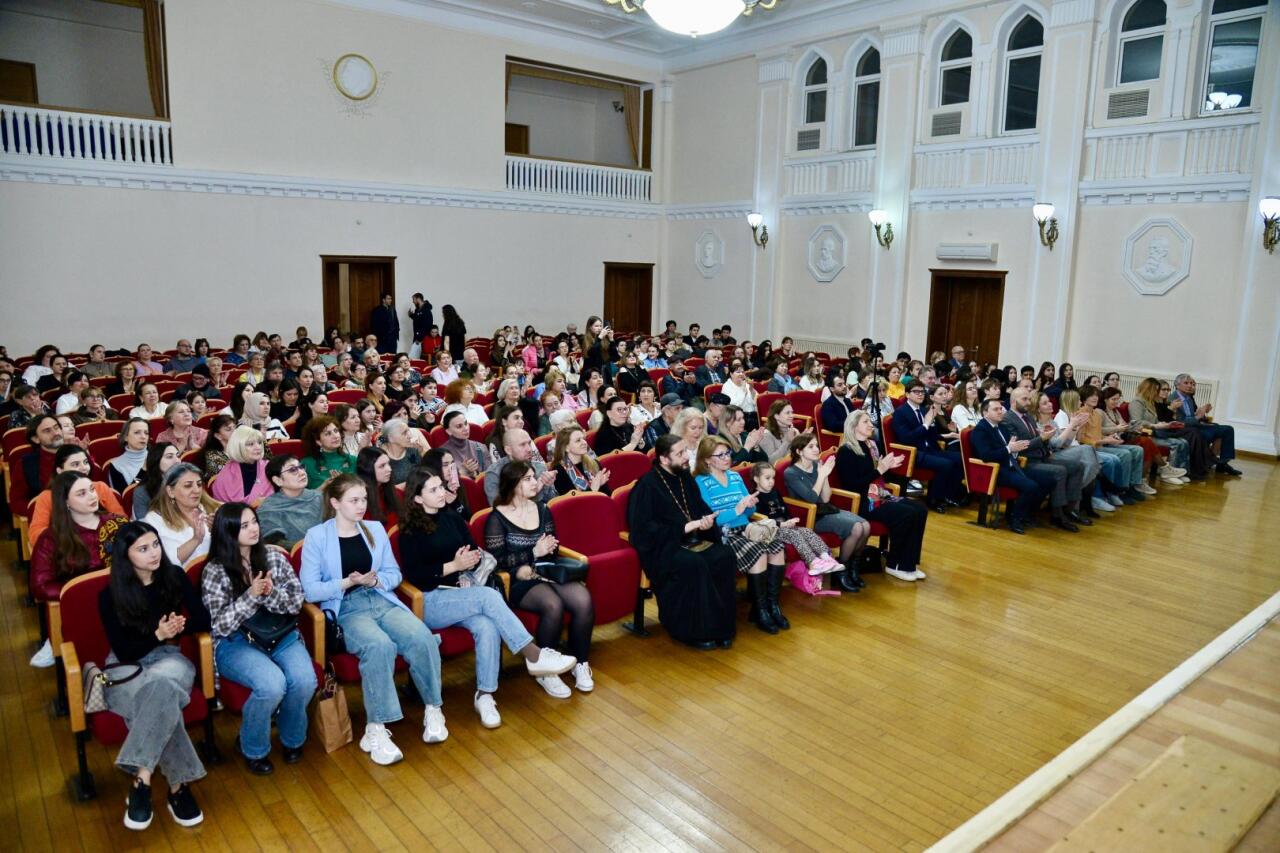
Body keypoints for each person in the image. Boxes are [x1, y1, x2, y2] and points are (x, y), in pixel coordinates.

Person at [300, 475, 446, 764]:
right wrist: (345, 582)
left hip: (380, 598)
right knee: (379, 647)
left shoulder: (375, 529)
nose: (361, 506)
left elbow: (394, 574)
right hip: (347, 607)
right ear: (334, 503)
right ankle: (377, 727)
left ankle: (433, 708)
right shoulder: (317, 536)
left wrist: (376, 579)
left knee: (422, 637)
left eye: (364, 499)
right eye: (353, 500)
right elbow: (310, 589)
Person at [100, 521, 211, 830]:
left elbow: (203, 619)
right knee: (162, 697)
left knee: (162, 685)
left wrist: (177, 630)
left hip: (169, 659)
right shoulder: (109, 595)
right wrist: (158, 634)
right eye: (143, 549)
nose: (154, 554)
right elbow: (124, 651)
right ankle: (178, 788)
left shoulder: (173, 576)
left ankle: (141, 780)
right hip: (126, 666)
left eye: (156, 545)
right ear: (126, 556)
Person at [201, 503, 316, 775]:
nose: (253, 529)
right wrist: (251, 596)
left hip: (281, 635)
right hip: (237, 643)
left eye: (254, 522)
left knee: (304, 681)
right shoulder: (215, 571)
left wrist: (269, 593)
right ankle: (252, 747)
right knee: (271, 685)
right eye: (244, 526)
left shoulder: (275, 558)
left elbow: (296, 602)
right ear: (227, 532)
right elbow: (220, 625)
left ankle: (292, 740)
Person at [484, 462, 594, 697]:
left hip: (545, 571)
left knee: (583, 599)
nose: (535, 482)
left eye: (534, 477)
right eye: (527, 479)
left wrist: (545, 551)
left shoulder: (543, 509)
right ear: (512, 484)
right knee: (552, 605)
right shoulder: (497, 517)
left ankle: (580, 662)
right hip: (514, 579)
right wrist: (533, 553)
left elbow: (552, 550)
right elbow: (497, 561)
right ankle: (545, 671)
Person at [627, 435, 737, 649]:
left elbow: (700, 508)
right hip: (665, 547)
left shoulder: (685, 477)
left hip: (694, 540)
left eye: (685, 451)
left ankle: (721, 627)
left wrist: (705, 521)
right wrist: (683, 528)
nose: (686, 457)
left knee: (724, 556)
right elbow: (643, 529)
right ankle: (693, 631)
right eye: (680, 453)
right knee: (694, 565)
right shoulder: (647, 486)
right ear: (664, 459)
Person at [29, 471, 127, 666]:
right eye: (81, 493)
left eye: (91, 489)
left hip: (123, 600)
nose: (92, 496)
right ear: (65, 502)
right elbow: (40, 585)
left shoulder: (116, 523)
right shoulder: (51, 538)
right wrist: (82, 591)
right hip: (84, 606)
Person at [693, 436, 788, 633]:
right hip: (723, 534)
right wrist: (736, 510)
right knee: (759, 551)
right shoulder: (701, 482)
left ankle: (772, 605)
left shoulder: (735, 477)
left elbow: (748, 513)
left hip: (746, 528)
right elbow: (709, 520)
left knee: (777, 546)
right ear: (707, 459)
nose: (727, 458)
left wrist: (748, 506)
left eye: (727, 453)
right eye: (720, 455)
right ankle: (760, 610)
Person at [1002, 387, 1091, 531]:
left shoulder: (1028, 416)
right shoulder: (1008, 419)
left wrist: (1045, 439)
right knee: (1059, 471)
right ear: (1013, 401)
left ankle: (1070, 509)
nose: (1028, 402)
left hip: (1041, 457)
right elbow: (1020, 446)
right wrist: (1042, 438)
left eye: (1029, 399)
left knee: (1077, 466)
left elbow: (1039, 439)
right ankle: (1057, 515)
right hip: (1025, 462)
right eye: (1024, 399)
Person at [968, 399, 1052, 534]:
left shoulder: (1001, 426)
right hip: (995, 470)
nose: (1000, 411)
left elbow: (1011, 449)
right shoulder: (980, 430)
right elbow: (986, 456)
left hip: (1011, 465)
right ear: (985, 413)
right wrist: (1009, 449)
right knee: (1030, 486)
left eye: (1001, 408)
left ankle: (1027, 514)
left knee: (1048, 480)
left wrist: (1014, 449)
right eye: (996, 409)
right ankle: (1015, 519)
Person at [749, 462, 843, 578]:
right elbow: (762, 520)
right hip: (770, 530)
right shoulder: (754, 497)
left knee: (807, 531)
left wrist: (790, 520)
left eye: (773, 478)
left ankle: (827, 558)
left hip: (785, 526)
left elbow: (784, 509)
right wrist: (782, 524)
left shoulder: (775, 492)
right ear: (756, 479)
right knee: (795, 535)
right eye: (767, 478)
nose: (771, 481)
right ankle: (813, 563)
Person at [890, 381, 965, 512]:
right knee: (945, 464)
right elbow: (906, 438)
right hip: (914, 452)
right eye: (916, 392)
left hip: (930, 448)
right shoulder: (900, 413)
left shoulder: (925, 410)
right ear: (907, 394)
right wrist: (925, 425)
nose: (920, 394)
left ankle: (948, 494)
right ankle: (934, 500)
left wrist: (948, 434)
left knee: (960, 459)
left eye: (922, 392)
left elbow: (932, 434)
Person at [1069, 387, 1152, 501]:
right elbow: (1081, 439)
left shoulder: (1096, 414)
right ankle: (1111, 492)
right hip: (1089, 448)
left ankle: (1127, 487)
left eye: (1096, 395)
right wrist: (1105, 440)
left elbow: (1097, 434)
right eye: (1091, 395)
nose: (1095, 397)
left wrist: (1109, 438)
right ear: (1083, 398)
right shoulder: (1081, 414)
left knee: (1136, 450)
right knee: (1120, 456)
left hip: (1099, 445)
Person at [1098, 387, 1185, 485]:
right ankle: (1161, 469)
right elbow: (1098, 430)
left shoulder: (1115, 411)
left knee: (1146, 442)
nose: (1116, 401)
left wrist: (1132, 427)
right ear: (1105, 400)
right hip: (1110, 441)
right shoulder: (1100, 412)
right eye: (1113, 399)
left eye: (1118, 399)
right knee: (1146, 442)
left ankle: (1144, 479)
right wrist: (1117, 429)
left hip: (1122, 437)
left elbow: (1124, 426)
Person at [1129, 378, 1207, 479]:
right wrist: (1157, 425)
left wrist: (1164, 424)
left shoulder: (1149, 402)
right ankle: (1170, 474)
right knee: (1176, 443)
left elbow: (1155, 420)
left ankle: (1180, 471)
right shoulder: (1137, 402)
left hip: (1152, 431)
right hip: (1142, 433)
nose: (1156, 393)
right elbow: (1137, 422)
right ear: (1149, 389)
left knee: (1183, 442)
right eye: (1156, 390)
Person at [143, 463, 217, 564]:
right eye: (188, 485)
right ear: (170, 491)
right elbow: (165, 562)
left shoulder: (214, 509)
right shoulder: (155, 519)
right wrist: (196, 539)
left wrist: (219, 532)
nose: (196, 490)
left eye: (199, 484)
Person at [1170, 374, 1240, 476]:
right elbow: (1180, 422)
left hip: (1196, 425)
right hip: (1187, 430)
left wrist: (1201, 411)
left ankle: (1223, 463)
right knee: (1214, 433)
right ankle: (1209, 462)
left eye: (1191, 383)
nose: (1190, 386)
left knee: (1227, 429)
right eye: (1186, 383)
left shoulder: (1188, 397)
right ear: (1177, 385)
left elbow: (1192, 415)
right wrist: (1198, 417)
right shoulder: (1172, 399)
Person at [255, 455, 323, 548]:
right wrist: (310, 547)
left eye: (301, 467)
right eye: (293, 470)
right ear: (278, 480)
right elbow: (275, 542)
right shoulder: (269, 508)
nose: (302, 473)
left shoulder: (320, 497)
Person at [484, 428, 557, 505]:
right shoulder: (494, 473)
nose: (529, 449)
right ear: (508, 450)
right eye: (522, 445)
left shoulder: (539, 467)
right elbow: (498, 509)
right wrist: (534, 491)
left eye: (529, 443)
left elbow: (553, 503)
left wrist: (548, 486)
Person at [209, 426, 274, 505]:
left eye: (260, 442)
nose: (258, 447)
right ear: (238, 447)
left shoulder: (270, 467)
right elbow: (221, 510)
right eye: (250, 444)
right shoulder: (224, 476)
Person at [549, 427, 611, 495]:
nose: (584, 442)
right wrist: (593, 489)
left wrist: (601, 485)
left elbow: (608, 495)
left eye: (583, 439)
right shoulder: (558, 471)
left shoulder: (594, 463)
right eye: (578, 440)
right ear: (566, 448)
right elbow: (573, 503)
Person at [131, 442, 182, 519]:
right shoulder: (142, 492)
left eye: (178, 456)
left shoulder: (188, 482)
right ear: (156, 461)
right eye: (169, 457)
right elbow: (144, 525)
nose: (177, 460)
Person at [439, 410, 488, 479]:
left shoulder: (480, 447)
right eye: (459, 426)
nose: (465, 428)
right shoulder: (442, 454)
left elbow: (491, 475)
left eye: (466, 423)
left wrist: (474, 473)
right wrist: (464, 471)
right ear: (448, 431)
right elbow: (444, 481)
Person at [105, 418, 151, 492]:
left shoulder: (158, 455)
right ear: (125, 437)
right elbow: (126, 496)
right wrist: (143, 471)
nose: (143, 436)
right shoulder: (116, 466)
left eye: (146, 433)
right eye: (137, 432)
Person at [381, 418, 425, 485]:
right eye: (404, 433)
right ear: (391, 438)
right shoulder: (381, 458)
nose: (410, 436)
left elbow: (422, 474)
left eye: (408, 431)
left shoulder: (413, 451)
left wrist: (422, 452)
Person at [408, 292, 434, 360]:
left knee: (412, 358)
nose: (413, 301)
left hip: (421, 339)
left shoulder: (426, 310)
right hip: (417, 338)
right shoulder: (418, 310)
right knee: (415, 358)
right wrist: (412, 315)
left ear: (418, 299)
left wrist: (420, 338)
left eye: (413, 299)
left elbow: (427, 325)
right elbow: (419, 320)